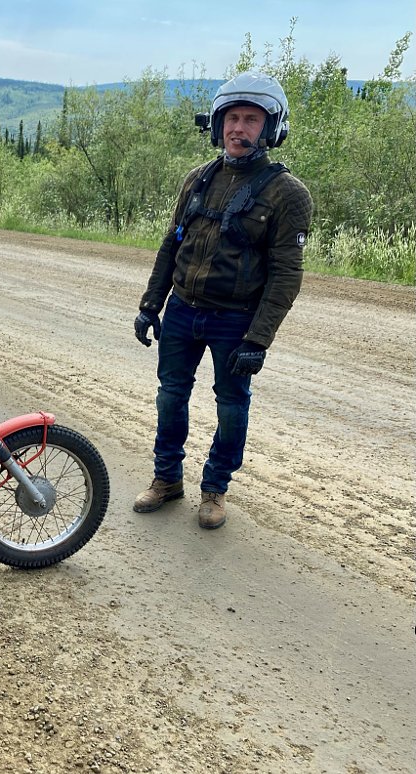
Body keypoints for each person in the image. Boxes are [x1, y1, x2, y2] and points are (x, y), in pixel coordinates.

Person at [133, 72, 313, 529]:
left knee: (231, 406)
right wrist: (150, 304)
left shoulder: (287, 194)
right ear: (218, 125)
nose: (239, 128)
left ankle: (215, 489)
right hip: (182, 311)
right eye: (232, 118)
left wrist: (260, 339)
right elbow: (171, 244)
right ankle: (166, 479)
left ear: (270, 128)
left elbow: (286, 274)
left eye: (251, 119)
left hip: (236, 322)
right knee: (170, 397)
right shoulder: (198, 179)